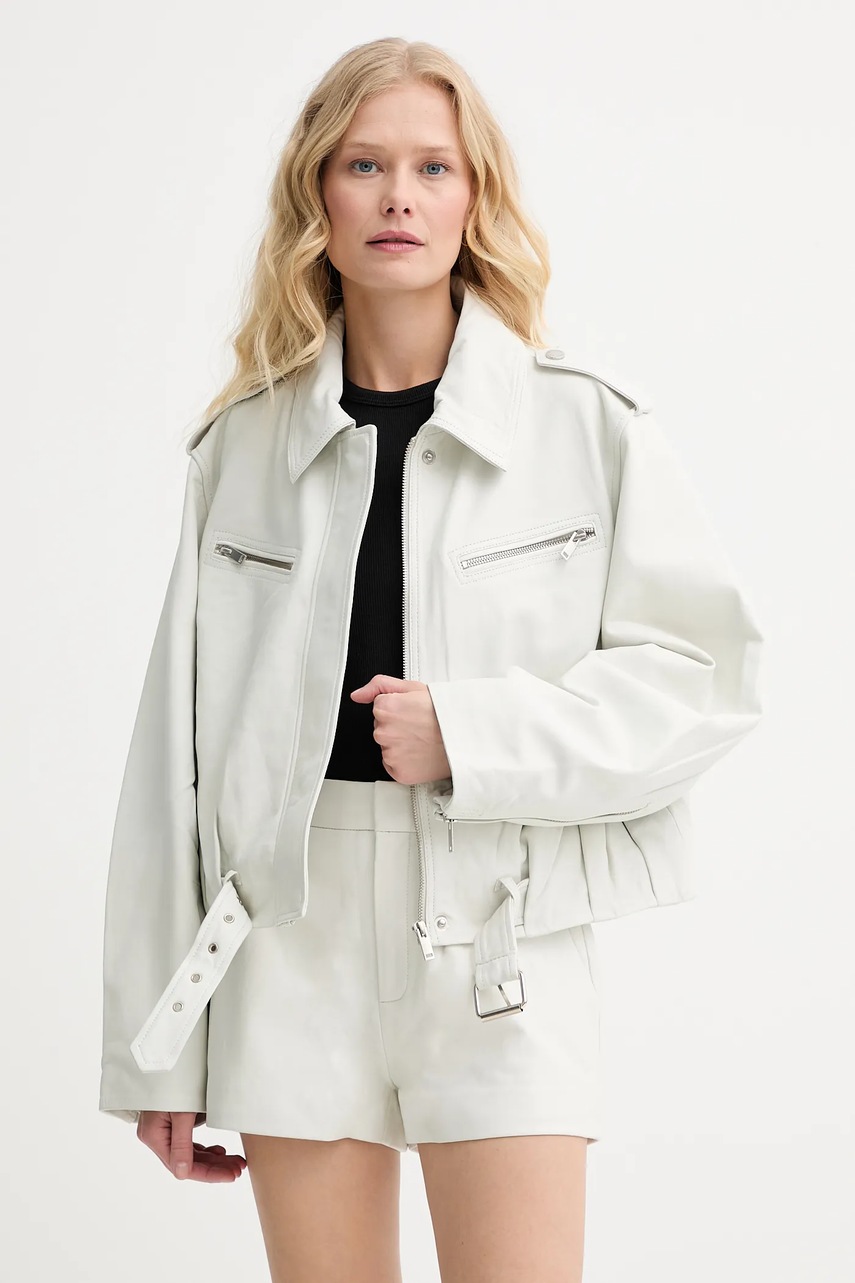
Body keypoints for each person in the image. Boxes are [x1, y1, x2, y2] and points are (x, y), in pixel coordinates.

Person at [99, 35, 764, 1283]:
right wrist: (155, 1045)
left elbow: (706, 680)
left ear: (473, 199)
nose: (398, 196)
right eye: (364, 164)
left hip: (502, 933)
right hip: (287, 945)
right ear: (318, 193)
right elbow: (168, 766)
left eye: (431, 167)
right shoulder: (240, 449)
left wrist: (473, 731)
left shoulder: (585, 425)